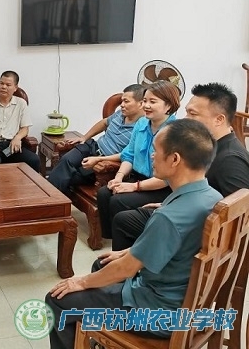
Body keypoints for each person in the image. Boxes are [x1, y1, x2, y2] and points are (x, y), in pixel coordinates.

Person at [45, 119, 221, 349]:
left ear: (175, 159)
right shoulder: (213, 198)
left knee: (57, 300)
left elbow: (126, 269)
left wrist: (81, 282)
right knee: (103, 263)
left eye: (156, 151)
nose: (151, 156)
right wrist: (130, 252)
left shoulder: (169, 217)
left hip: (158, 313)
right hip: (186, 299)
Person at [111, 82, 249, 250]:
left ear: (219, 119)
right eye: (187, 112)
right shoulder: (207, 145)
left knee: (124, 221)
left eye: (193, 114)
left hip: (198, 231)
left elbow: (238, 217)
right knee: (124, 218)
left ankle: (134, 263)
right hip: (187, 210)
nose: (186, 119)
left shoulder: (230, 160)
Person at [85, 80, 180, 240]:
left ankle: (128, 242)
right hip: (137, 178)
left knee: (118, 200)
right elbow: (129, 155)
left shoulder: (175, 132)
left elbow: (166, 179)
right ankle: (113, 238)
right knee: (104, 193)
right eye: (145, 101)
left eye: (152, 102)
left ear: (168, 106)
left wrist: (134, 187)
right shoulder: (141, 123)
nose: (146, 106)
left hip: (160, 187)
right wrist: (118, 177)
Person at [48, 84, 144, 194]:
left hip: (105, 161)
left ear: (141, 104)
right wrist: (84, 137)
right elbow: (104, 123)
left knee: (70, 175)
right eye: (122, 101)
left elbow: (128, 154)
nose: (122, 105)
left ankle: (50, 198)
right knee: (66, 160)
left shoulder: (142, 127)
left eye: (126, 101)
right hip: (93, 146)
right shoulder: (120, 114)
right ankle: (51, 197)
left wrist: (99, 159)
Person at [0, 70, 40, 171]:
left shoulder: (21, 103)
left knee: (33, 159)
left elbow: (25, 128)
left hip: (10, 145)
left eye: (8, 85)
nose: (3, 87)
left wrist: (17, 138)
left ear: (15, 88)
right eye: (1, 83)